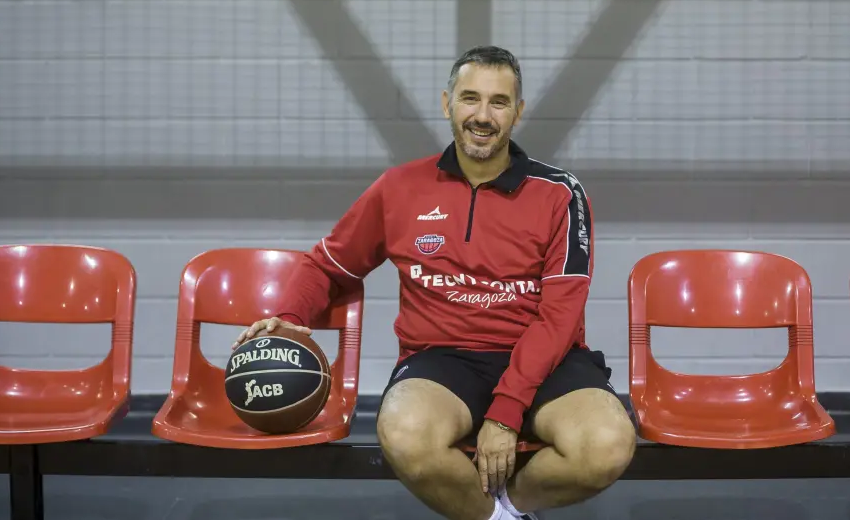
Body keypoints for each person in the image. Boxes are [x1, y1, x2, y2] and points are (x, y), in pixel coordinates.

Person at [234, 46, 636, 520]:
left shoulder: (561, 193)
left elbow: (560, 316)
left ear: (518, 112)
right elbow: (327, 266)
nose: (482, 116)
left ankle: (512, 504)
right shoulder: (399, 187)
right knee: (404, 433)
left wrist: (506, 411)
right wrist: (288, 319)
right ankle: (498, 518)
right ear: (447, 104)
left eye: (499, 102)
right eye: (470, 98)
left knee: (607, 445)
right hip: (443, 359)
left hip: (545, 360)